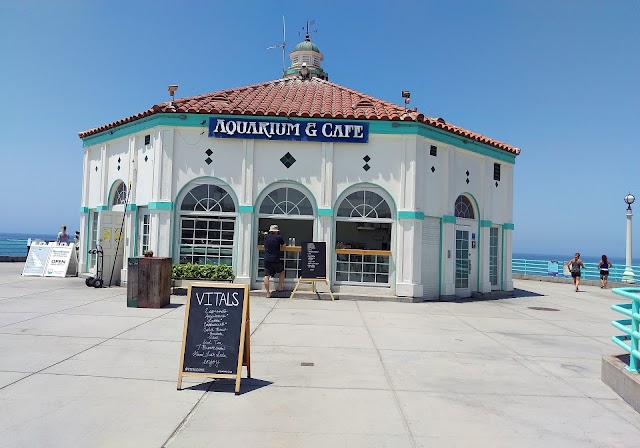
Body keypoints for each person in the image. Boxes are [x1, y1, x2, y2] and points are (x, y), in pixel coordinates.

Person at [263, 224, 285, 298]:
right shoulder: (279, 237)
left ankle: (268, 293)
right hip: (275, 258)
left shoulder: (266, 237)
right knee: (282, 271)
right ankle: (280, 287)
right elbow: (283, 245)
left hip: (267, 258)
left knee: (267, 276)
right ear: (276, 231)